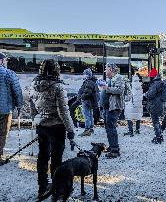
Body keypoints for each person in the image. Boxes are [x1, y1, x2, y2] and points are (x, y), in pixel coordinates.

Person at [29, 59, 75, 199]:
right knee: (56, 159)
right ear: (56, 70)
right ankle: (57, 190)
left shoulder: (34, 85)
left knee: (42, 157)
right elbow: (64, 112)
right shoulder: (58, 87)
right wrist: (71, 130)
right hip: (56, 127)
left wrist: (36, 121)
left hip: (41, 126)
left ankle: (42, 187)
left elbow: (32, 108)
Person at [0, 52, 23, 163]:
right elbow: (17, 91)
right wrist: (19, 105)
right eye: (5, 60)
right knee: (2, 133)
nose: (6, 62)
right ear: (1, 61)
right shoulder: (9, 74)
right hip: (4, 110)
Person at [99, 63, 125, 158]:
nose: (105, 71)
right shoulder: (110, 79)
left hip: (113, 108)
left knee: (111, 129)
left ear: (111, 70)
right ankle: (112, 146)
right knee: (108, 128)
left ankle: (115, 150)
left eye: (106, 69)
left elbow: (120, 90)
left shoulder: (119, 77)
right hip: (107, 108)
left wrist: (107, 88)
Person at [145, 68, 165, 144]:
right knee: (157, 121)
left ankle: (158, 137)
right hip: (160, 104)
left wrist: (146, 94)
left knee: (155, 122)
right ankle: (160, 135)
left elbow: (150, 95)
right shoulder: (161, 82)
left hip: (154, 105)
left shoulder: (155, 84)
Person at [77, 68, 99, 136]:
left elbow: (87, 92)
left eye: (84, 74)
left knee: (86, 115)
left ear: (87, 75)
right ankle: (91, 129)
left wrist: (81, 97)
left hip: (87, 101)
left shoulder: (89, 82)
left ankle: (87, 130)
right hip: (90, 101)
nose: (83, 76)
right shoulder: (91, 81)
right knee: (90, 115)